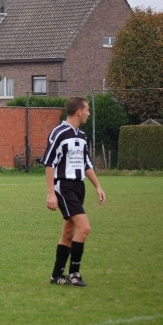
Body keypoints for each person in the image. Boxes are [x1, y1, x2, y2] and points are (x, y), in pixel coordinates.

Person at [42, 97, 106, 287]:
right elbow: (49, 163)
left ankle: (56, 275)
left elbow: (86, 164)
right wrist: (51, 192)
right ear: (79, 111)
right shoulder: (59, 133)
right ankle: (74, 273)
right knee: (84, 228)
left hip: (79, 186)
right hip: (64, 186)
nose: (88, 113)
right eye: (87, 110)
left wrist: (98, 186)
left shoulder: (82, 136)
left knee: (69, 233)